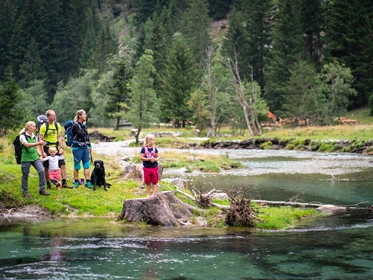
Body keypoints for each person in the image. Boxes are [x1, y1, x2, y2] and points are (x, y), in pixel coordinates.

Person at [39, 109, 72, 189]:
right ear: (48, 117)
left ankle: (64, 182)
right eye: (53, 115)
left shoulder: (57, 125)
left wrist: (61, 148)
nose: (54, 117)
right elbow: (41, 140)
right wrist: (42, 152)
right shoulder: (44, 127)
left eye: (55, 115)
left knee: (63, 164)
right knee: (46, 167)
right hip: (47, 147)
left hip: (56, 147)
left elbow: (59, 137)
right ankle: (48, 183)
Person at [19, 121, 49, 198]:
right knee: (25, 175)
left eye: (35, 126)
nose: (35, 128)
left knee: (41, 170)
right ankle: (25, 192)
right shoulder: (22, 136)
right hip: (26, 158)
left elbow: (36, 148)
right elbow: (27, 145)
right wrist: (39, 143)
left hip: (35, 157)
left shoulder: (34, 136)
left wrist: (40, 155)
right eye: (33, 126)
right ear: (28, 127)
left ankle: (42, 189)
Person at [71, 109, 93, 189]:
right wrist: (83, 126)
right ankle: (76, 181)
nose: (85, 116)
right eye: (84, 114)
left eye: (85, 114)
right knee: (77, 165)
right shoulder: (75, 125)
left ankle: (88, 181)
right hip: (77, 148)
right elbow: (81, 134)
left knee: (86, 165)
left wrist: (89, 146)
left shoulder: (84, 125)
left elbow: (86, 136)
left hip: (85, 147)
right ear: (79, 116)